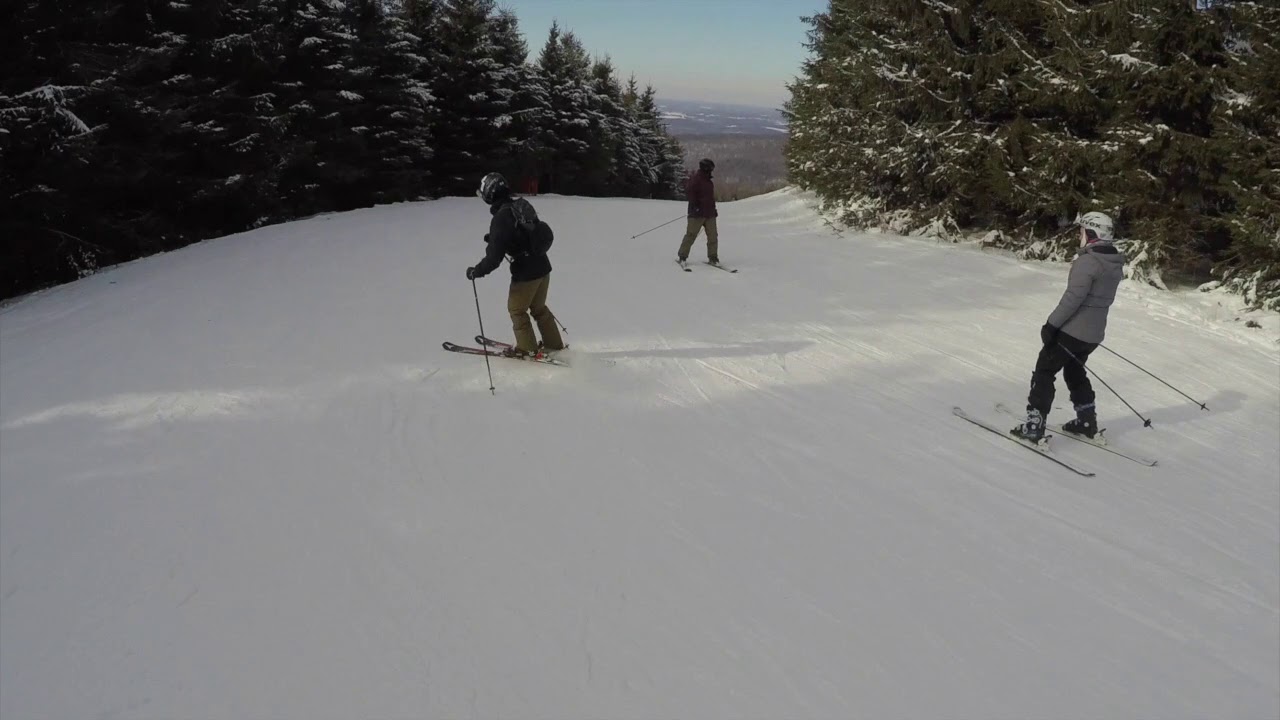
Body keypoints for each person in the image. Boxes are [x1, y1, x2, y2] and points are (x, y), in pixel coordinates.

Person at [1013, 212, 1127, 443]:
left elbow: (1073, 298)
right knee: (1075, 372)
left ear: (1092, 233)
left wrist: (1051, 325)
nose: (1080, 235)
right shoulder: (1113, 263)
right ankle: (1086, 422)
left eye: (1082, 231)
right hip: (1093, 335)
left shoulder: (1088, 262)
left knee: (1045, 370)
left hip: (1071, 331)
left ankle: (1034, 426)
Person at [466, 172, 565, 357]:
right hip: (543, 267)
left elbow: (494, 259)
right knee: (539, 308)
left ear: (490, 193)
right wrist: (496, 239)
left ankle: (527, 349)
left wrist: (476, 271)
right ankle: (555, 345)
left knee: (517, 310)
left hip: (526, 273)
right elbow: (525, 233)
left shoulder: (501, 218)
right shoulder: (520, 205)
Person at [677, 158, 720, 266]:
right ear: (705, 168)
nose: (712, 170)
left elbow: (710, 198)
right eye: (711, 168)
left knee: (713, 236)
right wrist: (695, 206)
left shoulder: (709, 182)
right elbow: (690, 193)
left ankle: (713, 257)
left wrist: (714, 210)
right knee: (691, 235)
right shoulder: (695, 179)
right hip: (696, 214)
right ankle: (682, 256)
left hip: (709, 213)